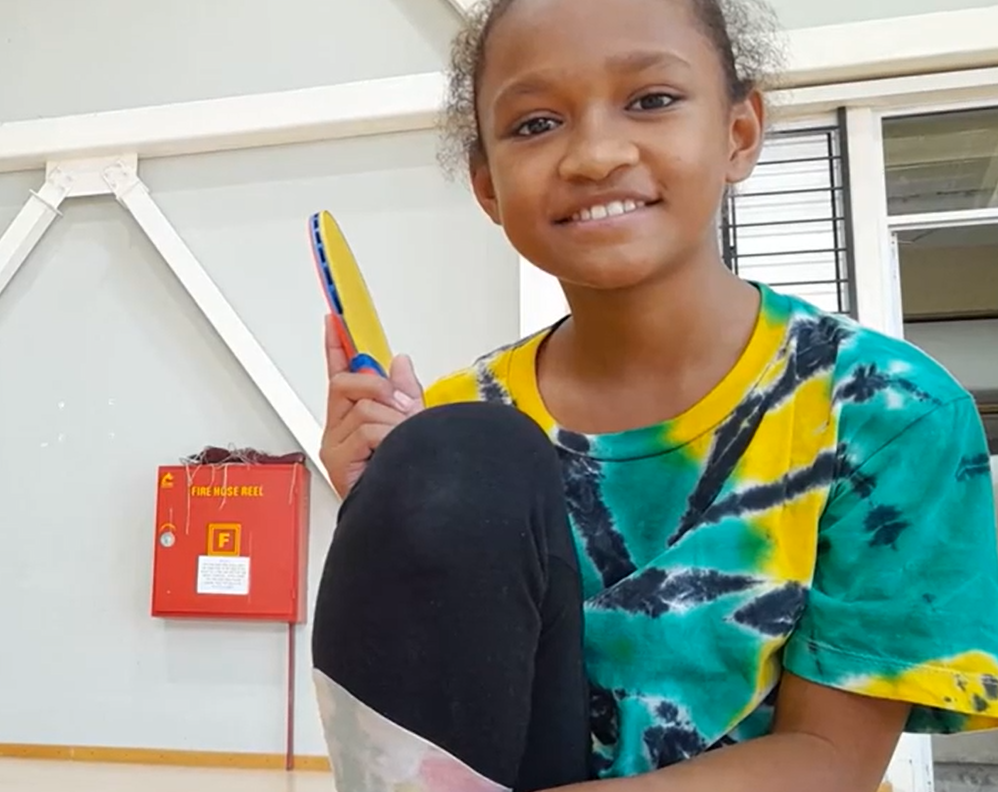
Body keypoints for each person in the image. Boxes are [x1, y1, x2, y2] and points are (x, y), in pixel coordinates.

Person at [311, 0, 998, 790]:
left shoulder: (887, 411)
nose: (596, 155)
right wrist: (397, 506)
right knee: (454, 455)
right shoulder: (460, 420)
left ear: (739, 134)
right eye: (536, 124)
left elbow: (831, 760)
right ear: (488, 188)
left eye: (652, 100)